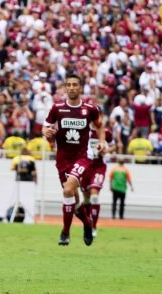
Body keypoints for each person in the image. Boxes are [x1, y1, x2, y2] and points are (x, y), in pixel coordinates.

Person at [43, 74, 106, 247]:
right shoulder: (57, 108)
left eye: (75, 85)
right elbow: (46, 125)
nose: (71, 87)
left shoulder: (90, 109)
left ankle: (65, 232)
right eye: (68, 85)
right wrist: (45, 132)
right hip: (62, 159)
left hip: (83, 157)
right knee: (74, 199)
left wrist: (101, 141)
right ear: (65, 87)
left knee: (68, 189)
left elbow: (100, 126)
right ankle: (87, 224)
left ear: (80, 88)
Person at [80, 128, 115, 236]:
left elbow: (113, 146)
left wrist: (106, 151)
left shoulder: (106, 132)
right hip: (86, 166)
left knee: (94, 196)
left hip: (99, 166)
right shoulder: (84, 129)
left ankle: (94, 226)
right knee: (86, 199)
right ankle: (87, 223)